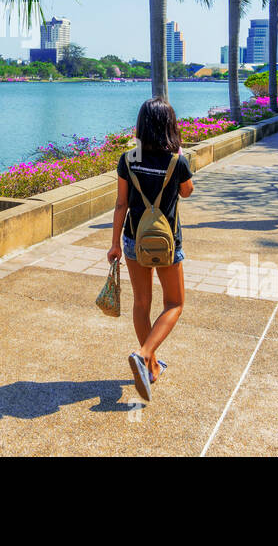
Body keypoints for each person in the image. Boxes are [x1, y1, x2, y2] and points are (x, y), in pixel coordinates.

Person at [108, 96, 194, 403]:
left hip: (133, 239)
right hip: (167, 242)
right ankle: (145, 355)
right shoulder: (177, 161)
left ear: (142, 125)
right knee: (174, 303)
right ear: (169, 125)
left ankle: (152, 366)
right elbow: (187, 191)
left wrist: (115, 243)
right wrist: (179, 156)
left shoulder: (128, 158)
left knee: (142, 303)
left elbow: (120, 204)